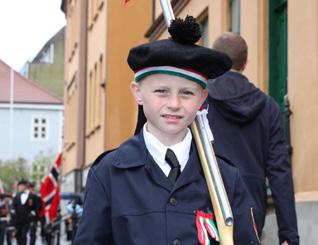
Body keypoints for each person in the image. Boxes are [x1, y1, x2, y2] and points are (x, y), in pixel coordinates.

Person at [74, 16, 260, 245]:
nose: (174, 103)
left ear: (202, 98)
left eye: (186, 93)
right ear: (138, 92)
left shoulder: (225, 178)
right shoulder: (108, 174)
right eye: (161, 91)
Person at [206, 32, 299, 245]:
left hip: (206, 209)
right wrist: (289, 236)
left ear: (214, 59)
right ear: (246, 63)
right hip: (251, 212)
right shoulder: (268, 107)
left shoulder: (201, 101)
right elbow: (280, 174)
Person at [11, 180, 41, 245]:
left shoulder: (32, 196)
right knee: (18, 235)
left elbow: (38, 205)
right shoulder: (16, 196)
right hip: (18, 219)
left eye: (21, 186)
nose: (20, 188)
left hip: (27, 219)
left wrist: (33, 212)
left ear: (25, 186)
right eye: (19, 186)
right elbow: (13, 205)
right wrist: (13, 210)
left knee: (24, 235)